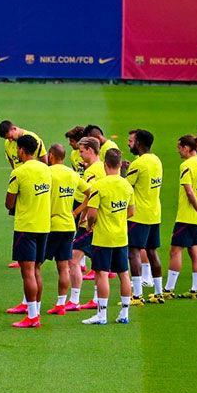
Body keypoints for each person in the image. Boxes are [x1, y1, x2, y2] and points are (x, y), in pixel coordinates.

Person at [82, 149, 136, 325]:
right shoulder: (127, 185)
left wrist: (90, 227)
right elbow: (131, 211)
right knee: (123, 274)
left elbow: (91, 214)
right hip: (121, 237)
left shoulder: (99, 185)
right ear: (120, 164)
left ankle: (102, 315)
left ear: (105, 164)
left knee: (102, 274)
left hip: (103, 237)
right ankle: (124, 313)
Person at [4, 135, 52, 328]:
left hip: (26, 227)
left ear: (22, 150)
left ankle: (32, 317)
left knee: (28, 273)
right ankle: (36, 312)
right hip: (44, 225)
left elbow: (9, 202)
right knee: (37, 270)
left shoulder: (19, 172)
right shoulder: (46, 170)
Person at [165, 135, 197, 299]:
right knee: (195, 251)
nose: (178, 150)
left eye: (179, 147)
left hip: (186, 217)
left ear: (186, 147)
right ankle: (195, 289)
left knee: (175, 251)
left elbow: (189, 190)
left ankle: (169, 290)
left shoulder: (186, 165)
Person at [44, 143, 86, 315]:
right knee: (63, 266)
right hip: (69, 225)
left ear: (52, 155)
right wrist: (75, 212)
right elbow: (90, 192)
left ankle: (29, 304)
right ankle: (61, 304)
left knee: (33, 266)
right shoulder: (72, 174)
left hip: (51, 225)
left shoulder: (48, 173)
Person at [126, 129, 165, 304]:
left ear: (139, 143)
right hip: (154, 213)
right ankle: (158, 293)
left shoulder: (138, 164)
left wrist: (121, 172)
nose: (130, 143)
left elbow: (125, 188)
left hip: (138, 215)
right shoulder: (156, 160)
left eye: (132, 141)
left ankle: (137, 295)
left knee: (133, 252)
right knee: (152, 252)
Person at [67, 136, 105, 307]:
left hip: (90, 222)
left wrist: (78, 214)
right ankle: (96, 299)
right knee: (97, 261)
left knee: (73, 260)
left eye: (82, 151)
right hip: (103, 220)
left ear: (90, 150)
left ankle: (74, 300)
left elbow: (90, 196)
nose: (80, 155)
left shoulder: (91, 171)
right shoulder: (103, 166)